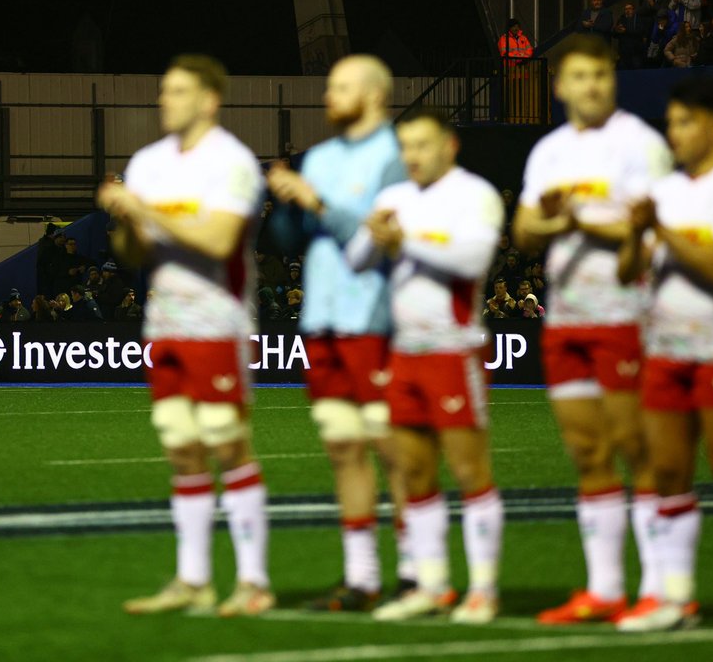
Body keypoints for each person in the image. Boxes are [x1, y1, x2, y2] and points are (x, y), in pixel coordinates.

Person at [97, 54, 273, 616]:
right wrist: (126, 222)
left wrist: (145, 207)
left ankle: (253, 581)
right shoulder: (148, 162)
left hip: (218, 323)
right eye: (163, 90)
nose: (163, 100)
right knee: (181, 449)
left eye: (176, 91)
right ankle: (193, 579)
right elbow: (134, 254)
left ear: (209, 100)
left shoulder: (233, 161)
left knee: (227, 444)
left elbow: (219, 241)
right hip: (165, 324)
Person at [512, 33, 673, 625]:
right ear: (559, 86)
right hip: (567, 317)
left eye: (601, 74)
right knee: (587, 450)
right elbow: (524, 232)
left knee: (638, 447)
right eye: (580, 76)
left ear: (614, 80)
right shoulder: (549, 151)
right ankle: (604, 590)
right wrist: (552, 220)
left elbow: (654, 238)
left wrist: (578, 219)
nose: (592, 86)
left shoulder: (641, 146)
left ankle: (660, 589)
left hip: (627, 313)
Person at [615, 77, 713, 636]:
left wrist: (659, 227)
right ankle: (676, 599)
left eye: (684, 122)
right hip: (663, 353)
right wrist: (636, 236)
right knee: (667, 473)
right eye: (670, 124)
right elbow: (626, 274)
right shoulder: (665, 192)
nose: (674, 134)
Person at [346, 109, 505, 624]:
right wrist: (372, 235)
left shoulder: (474, 194)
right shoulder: (395, 198)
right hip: (406, 351)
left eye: (422, 144)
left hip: (454, 349)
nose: (412, 155)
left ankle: (482, 589)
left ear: (449, 146)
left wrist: (402, 240)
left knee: (467, 469)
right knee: (413, 471)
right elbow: (356, 260)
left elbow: (472, 261)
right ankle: (431, 585)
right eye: (405, 146)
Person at [266, 54, 412, 612]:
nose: (328, 96)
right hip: (322, 319)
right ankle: (362, 578)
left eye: (340, 87)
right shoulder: (321, 157)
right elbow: (290, 239)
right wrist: (279, 203)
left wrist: (314, 200)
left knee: (392, 449)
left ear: (375, 94)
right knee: (343, 449)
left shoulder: (396, 154)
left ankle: (418, 573)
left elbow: (383, 233)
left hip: (373, 317)